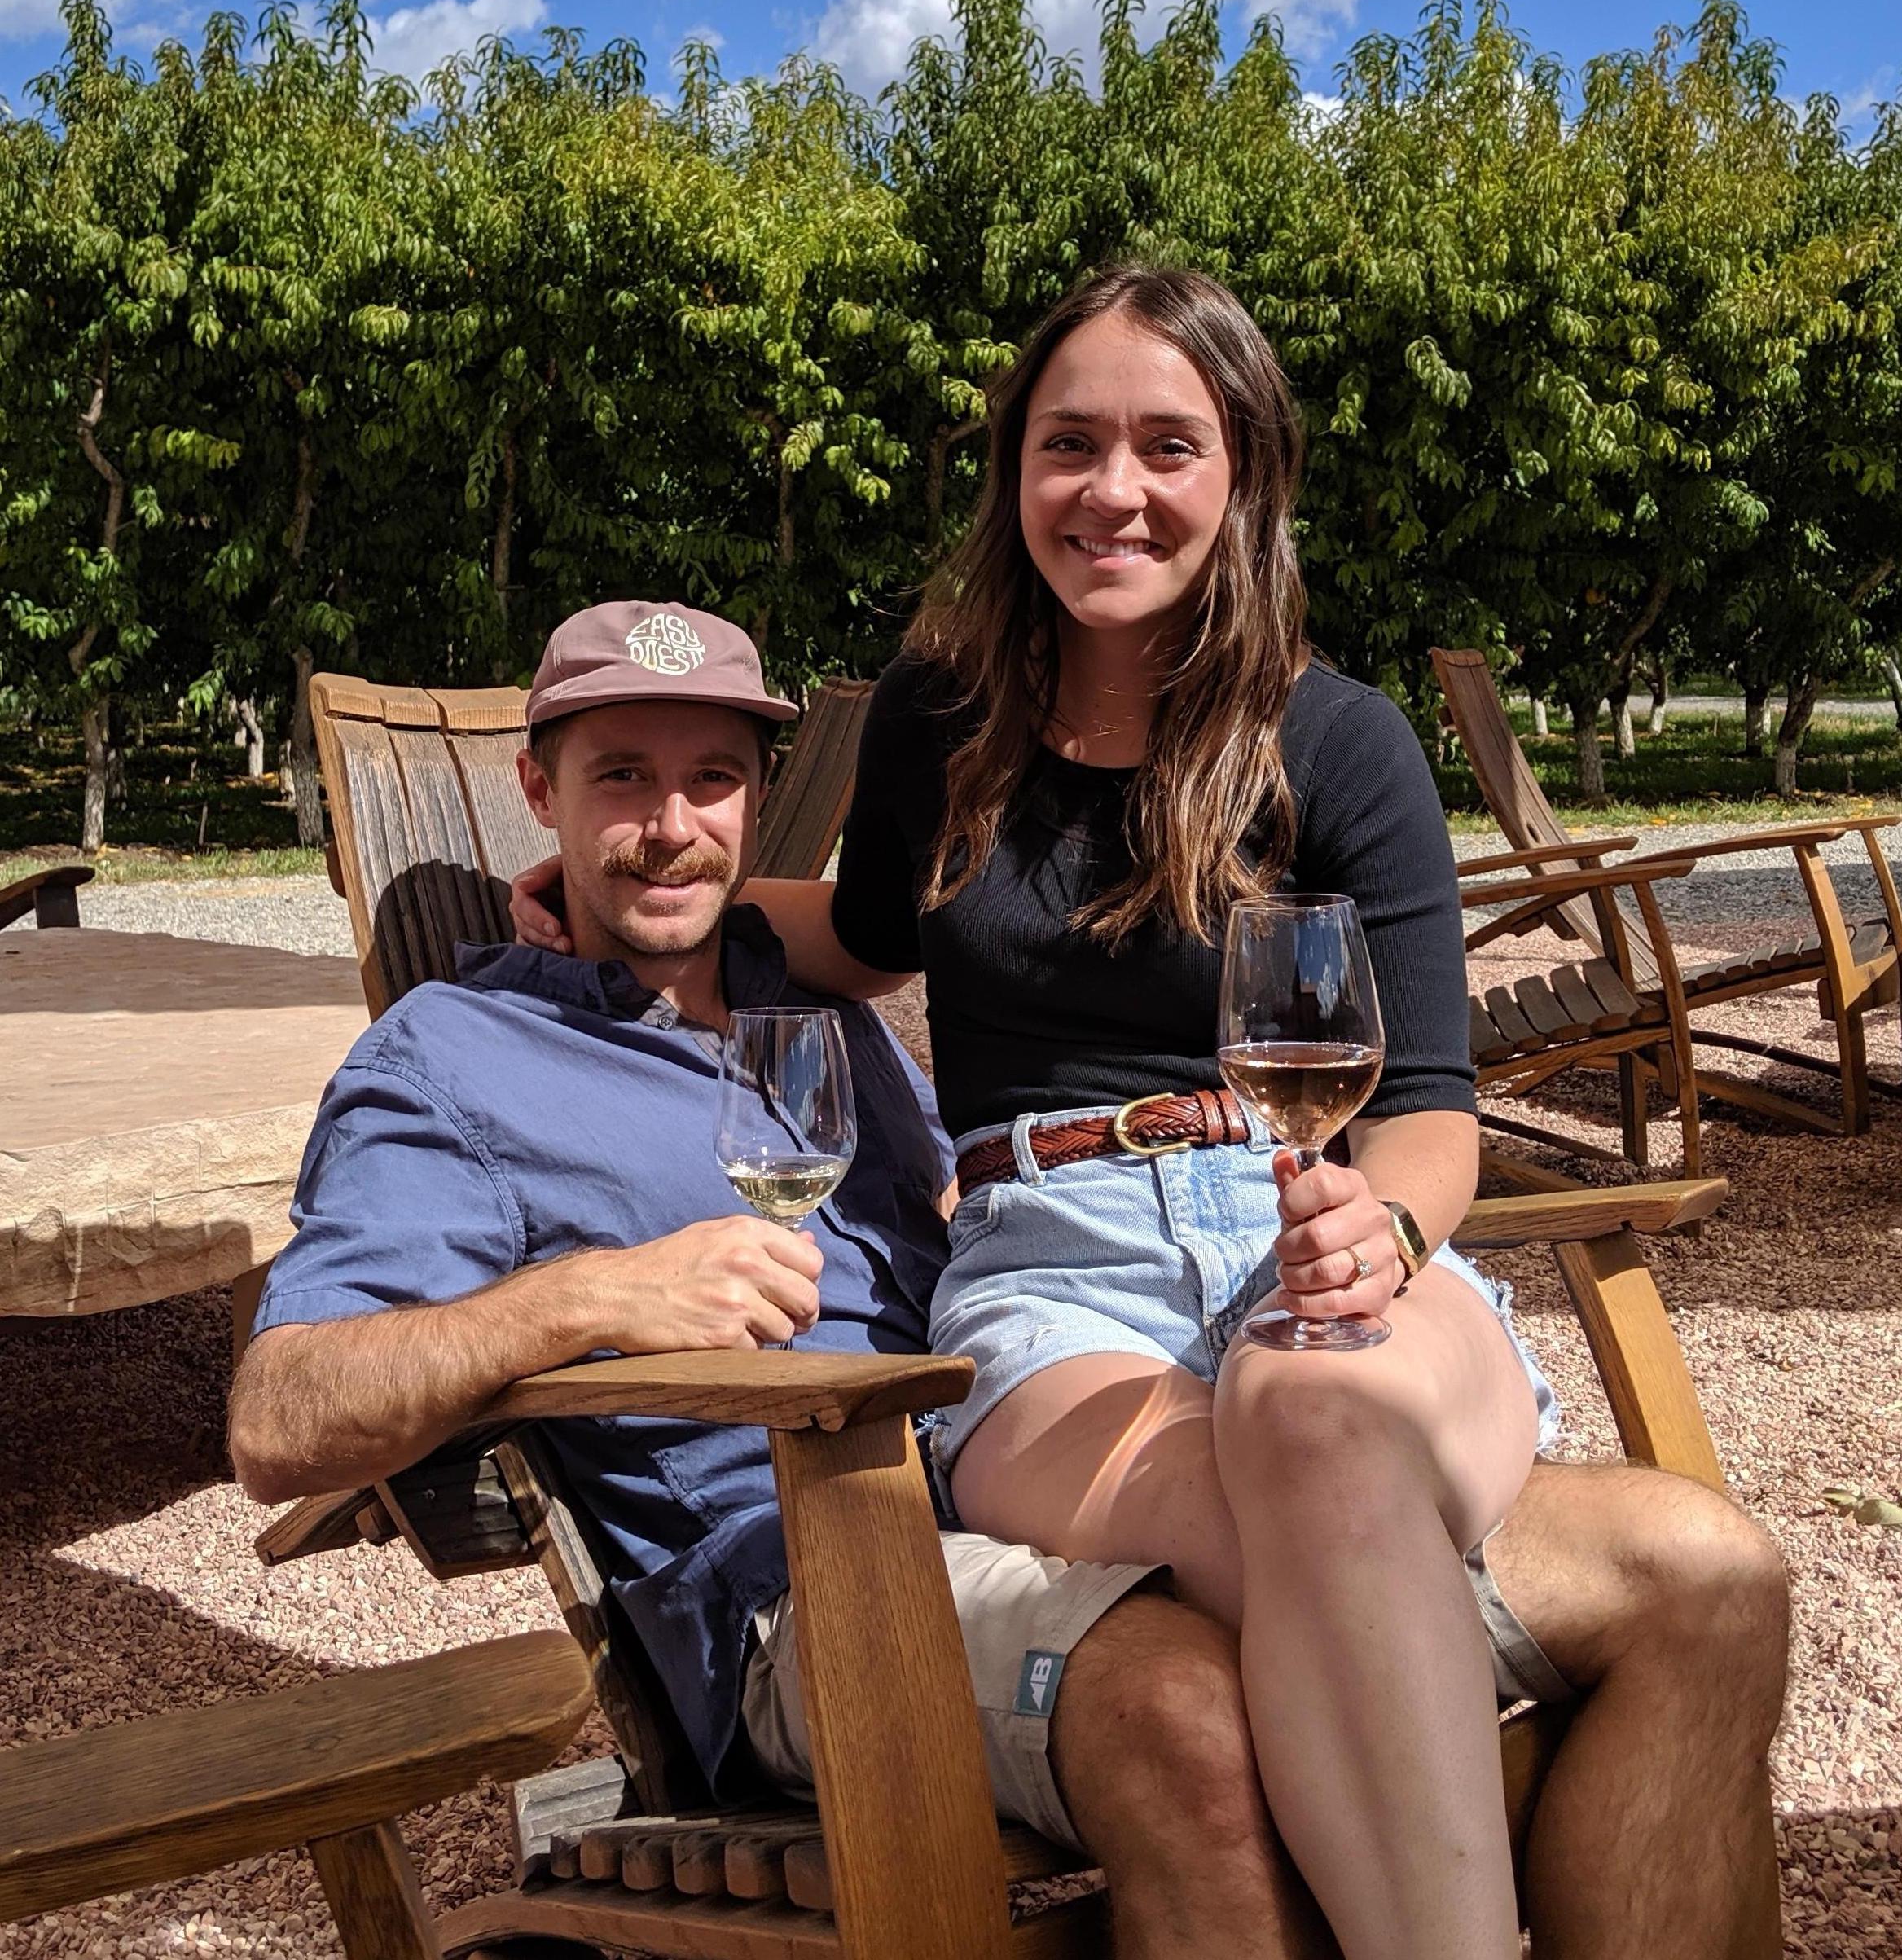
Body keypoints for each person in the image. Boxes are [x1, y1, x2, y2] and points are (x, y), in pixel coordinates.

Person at [511, 269, 1791, 1957]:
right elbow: (871, 935)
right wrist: (657, 891)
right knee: (1459, 1525)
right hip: (1052, 1276)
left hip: (1307, 1220)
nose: (1112, 490)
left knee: (1324, 1413)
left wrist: (1390, 1229)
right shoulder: (939, 723)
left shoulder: (1339, 743)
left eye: (1168, 445)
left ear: (1246, 473)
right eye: (1070, 444)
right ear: (1013, 474)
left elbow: (1425, 1109)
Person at [228, 601, 1337, 1960]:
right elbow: (278, 1418)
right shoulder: (451, 1058)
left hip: (1028, 1478)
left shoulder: (812, 1017)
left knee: (1554, 1581)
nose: (669, 825)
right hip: (805, 1586)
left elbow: (959, 1222)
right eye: (620, 775)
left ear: (756, 800)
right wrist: (589, 1297)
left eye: (711, 778)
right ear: (541, 791)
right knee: (1183, 1714)